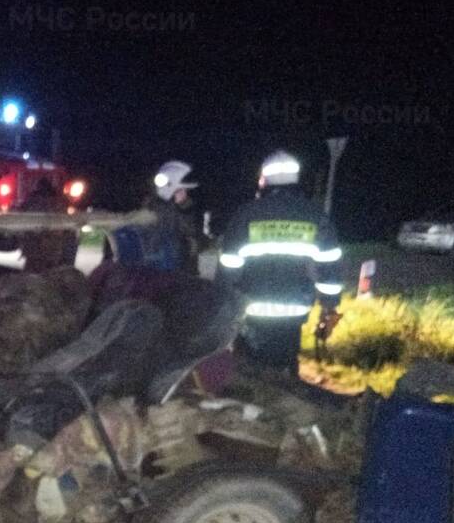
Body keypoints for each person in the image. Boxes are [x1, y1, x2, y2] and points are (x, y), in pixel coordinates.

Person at [218, 149, 342, 370]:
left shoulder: (246, 215)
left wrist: (223, 307)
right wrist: (329, 306)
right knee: (285, 368)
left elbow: (229, 267)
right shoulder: (315, 216)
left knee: (249, 372)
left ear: (264, 181)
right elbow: (330, 266)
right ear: (295, 180)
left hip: (251, 310)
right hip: (294, 311)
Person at [143, 160, 201, 276]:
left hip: (177, 267)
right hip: (156, 265)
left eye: (185, 190)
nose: (184, 193)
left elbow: (191, 234)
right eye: (181, 189)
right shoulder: (152, 205)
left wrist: (183, 207)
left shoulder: (185, 206)